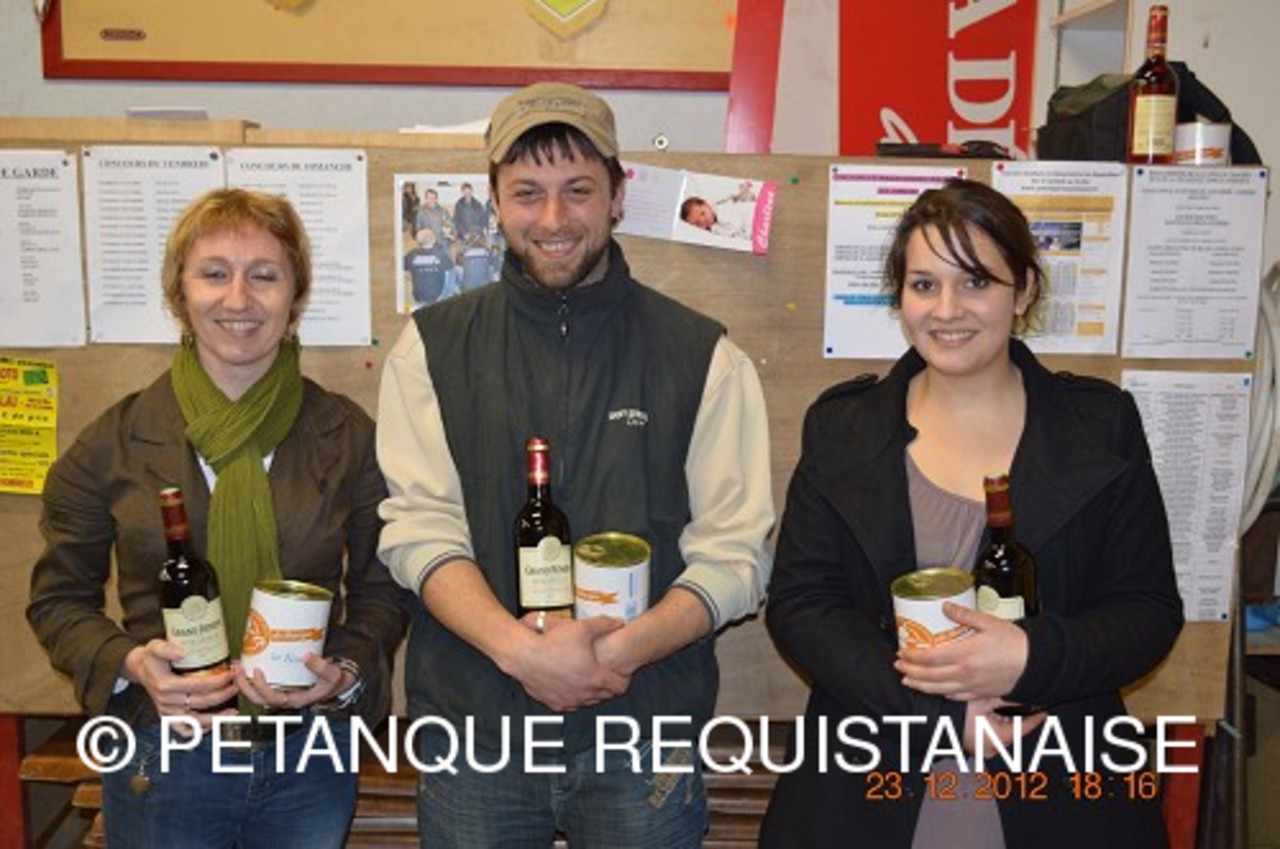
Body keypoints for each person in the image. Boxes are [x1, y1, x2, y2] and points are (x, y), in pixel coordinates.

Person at [376, 81, 775, 848]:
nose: (554, 219)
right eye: (527, 192)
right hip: (477, 734)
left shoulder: (703, 356)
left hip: (643, 729)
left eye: (579, 190)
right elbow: (420, 532)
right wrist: (521, 652)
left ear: (618, 195)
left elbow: (736, 555)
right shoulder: (429, 348)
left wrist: (614, 654)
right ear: (495, 201)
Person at [759, 178, 1183, 848]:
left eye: (976, 281)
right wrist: (938, 719)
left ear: (1025, 290)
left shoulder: (1100, 427)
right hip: (869, 781)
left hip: (1061, 784)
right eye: (924, 285)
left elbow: (1148, 610)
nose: (946, 310)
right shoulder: (844, 428)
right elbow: (802, 604)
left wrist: (1031, 656)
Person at [28, 188, 410, 848]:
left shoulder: (346, 436)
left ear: (295, 295)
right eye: (214, 273)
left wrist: (344, 671)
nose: (238, 299)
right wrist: (131, 663)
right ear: (180, 293)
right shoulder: (112, 443)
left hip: (309, 755)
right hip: (162, 747)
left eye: (264, 275)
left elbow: (383, 590)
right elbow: (58, 601)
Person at [679, 181, 757, 241]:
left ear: (707, 205)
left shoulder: (721, 211)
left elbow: (734, 228)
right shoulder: (715, 224)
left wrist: (714, 229)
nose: (703, 220)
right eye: (698, 223)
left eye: (702, 213)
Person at [402, 226, 455, 306]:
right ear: (434, 240)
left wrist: (411, 276)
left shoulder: (412, 254)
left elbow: (400, 269)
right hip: (437, 297)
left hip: (419, 296)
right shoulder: (441, 255)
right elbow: (450, 276)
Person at [451, 181, 490, 251]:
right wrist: (465, 233)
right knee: (464, 254)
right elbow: (456, 221)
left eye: (469, 191)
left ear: (472, 191)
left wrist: (476, 233)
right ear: (462, 192)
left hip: (477, 235)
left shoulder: (478, 204)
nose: (467, 194)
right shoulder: (458, 205)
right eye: (465, 192)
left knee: (479, 253)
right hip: (463, 235)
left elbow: (482, 220)